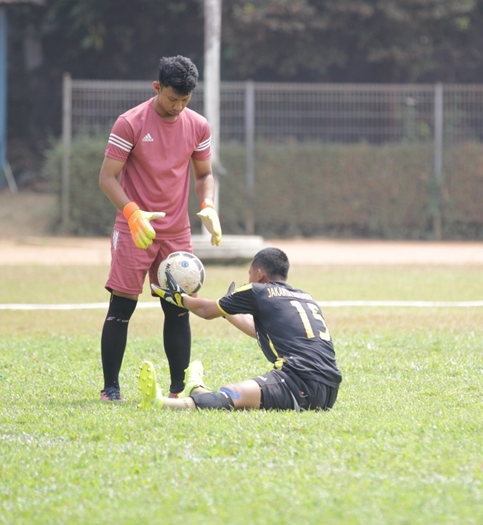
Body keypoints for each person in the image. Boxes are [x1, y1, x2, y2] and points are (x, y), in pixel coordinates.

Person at [97, 55, 222, 402]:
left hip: (177, 232)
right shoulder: (130, 123)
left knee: (178, 308)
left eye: (185, 100)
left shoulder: (198, 126)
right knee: (122, 306)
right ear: (157, 87)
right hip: (134, 227)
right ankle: (111, 389)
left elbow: (204, 174)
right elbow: (107, 178)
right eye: (171, 99)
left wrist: (208, 204)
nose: (178, 107)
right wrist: (132, 212)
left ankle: (178, 390)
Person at [139, 247, 341, 412]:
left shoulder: (257, 290)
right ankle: (196, 388)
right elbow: (259, 331)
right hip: (329, 392)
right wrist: (228, 312)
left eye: (250, 274)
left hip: (298, 382)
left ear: (259, 274)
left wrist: (179, 298)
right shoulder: (304, 297)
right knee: (238, 396)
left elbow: (205, 310)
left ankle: (164, 404)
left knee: (232, 393)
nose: (249, 278)